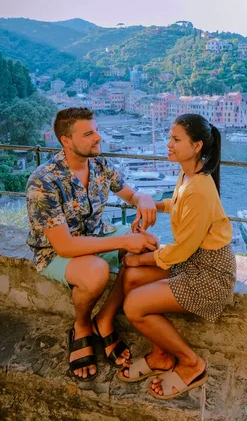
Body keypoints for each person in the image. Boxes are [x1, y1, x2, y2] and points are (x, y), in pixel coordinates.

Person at [26, 107, 158, 381]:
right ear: (66, 140)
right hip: (55, 252)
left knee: (149, 246)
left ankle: (105, 319)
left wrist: (142, 199)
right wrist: (124, 240)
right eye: (88, 133)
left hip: (97, 234)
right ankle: (83, 325)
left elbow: (129, 193)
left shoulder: (99, 165)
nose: (98, 137)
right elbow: (63, 247)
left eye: (96, 130)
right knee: (96, 270)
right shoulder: (44, 181)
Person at [119, 113, 236, 400]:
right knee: (132, 279)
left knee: (133, 304)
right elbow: (178, 204)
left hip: (210, 274)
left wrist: (140, 258)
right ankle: (160, 355)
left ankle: (192, 363)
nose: (168, 144)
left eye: (175, 139)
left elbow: (182, 249)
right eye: (170, 138)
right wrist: (153, 207)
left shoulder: (199, 188)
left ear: (196, 146)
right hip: (194, 262)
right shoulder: (189, 175)